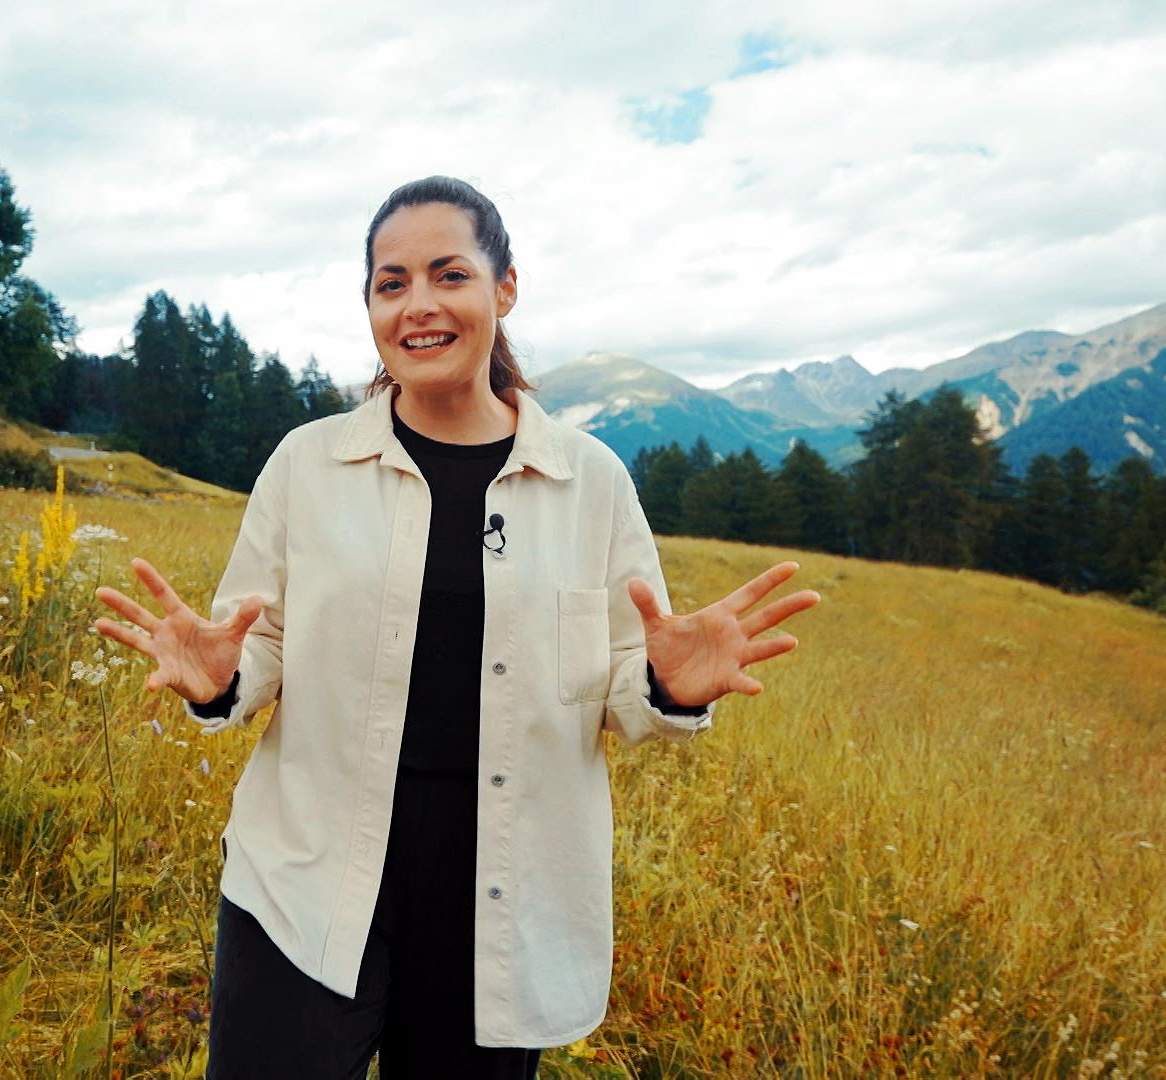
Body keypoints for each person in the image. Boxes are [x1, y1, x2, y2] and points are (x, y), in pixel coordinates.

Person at [91, 176, 820, 1079]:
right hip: (309, 869)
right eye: (391, 283)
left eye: (449, 274)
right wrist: (222, 681)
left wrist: (667, 683)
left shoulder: (591, 484)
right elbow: (261, 644)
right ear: (369, 305)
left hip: (502, 896)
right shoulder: (306, 465)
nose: (419, 305)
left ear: (504, 289)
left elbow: (629, 689)